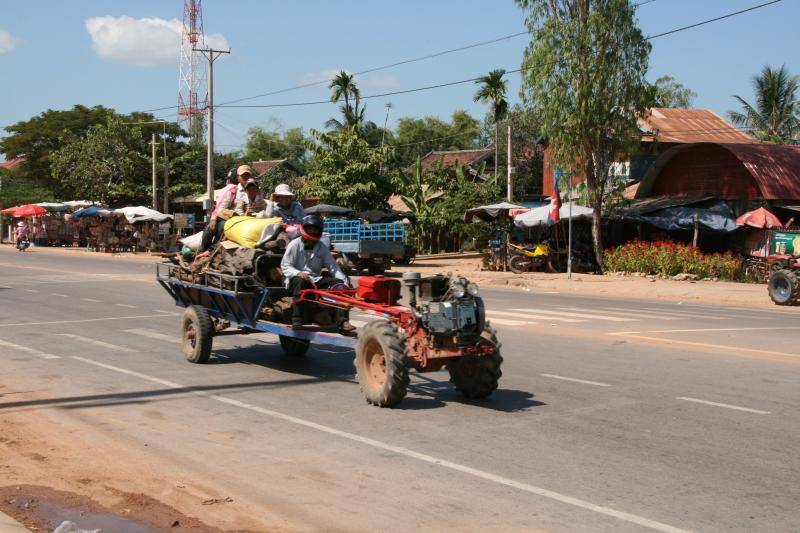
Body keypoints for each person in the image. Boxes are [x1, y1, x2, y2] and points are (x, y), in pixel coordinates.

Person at [281, 215, 354, 332]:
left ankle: (343, 321)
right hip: (294, 278)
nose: (312, 231)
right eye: (310, 228)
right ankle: (297, 319)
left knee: (339, 284)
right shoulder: (294, 244)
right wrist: (298, 273)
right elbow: (286, 266)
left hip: (314, 279)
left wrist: (344, 282)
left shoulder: (322, 247)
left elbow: (333, 267)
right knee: (301, 281)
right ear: (304, 228)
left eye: (315, 229)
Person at [199, 169, 238, 253]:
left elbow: (220, 207)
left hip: (228, 219)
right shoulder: (239, 189)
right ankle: (211, 249)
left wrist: (213, 219)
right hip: (230, 218)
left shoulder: (229, 189)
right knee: (216, 227)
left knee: (215, 227)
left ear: (228, 180)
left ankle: (207, 249)